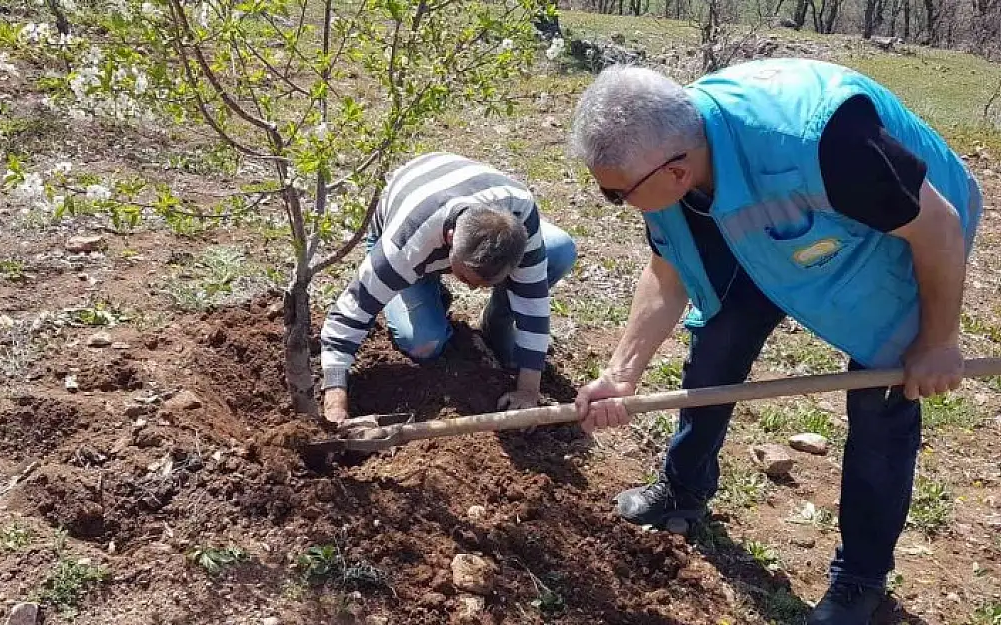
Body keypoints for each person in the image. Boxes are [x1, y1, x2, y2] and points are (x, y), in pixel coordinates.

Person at [568, 58, 981, 624]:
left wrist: (937, 343)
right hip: (777, 229)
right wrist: (621, 374)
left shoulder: (826, 141)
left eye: (617, 195)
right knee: (718, 339)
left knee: (882, 399)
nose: (615, 203)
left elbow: (938, 226)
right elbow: (668, 270)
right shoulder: (670, 148)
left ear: (676, 172)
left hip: (902, 239)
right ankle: (684, 488)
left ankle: (860, 581)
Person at [319, 152, 578, 424]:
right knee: (423, 343)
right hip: (410, 222)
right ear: (451, 239)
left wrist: (528, 391)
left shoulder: (520, 214)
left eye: (485, 284)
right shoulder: (405, 246)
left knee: (559, 250)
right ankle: (428, 291)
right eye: (468, 279)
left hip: (475, 203)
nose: (475, 291)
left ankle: (496, 322)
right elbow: (350, 315)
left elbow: (534, 301)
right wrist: (335, 405)